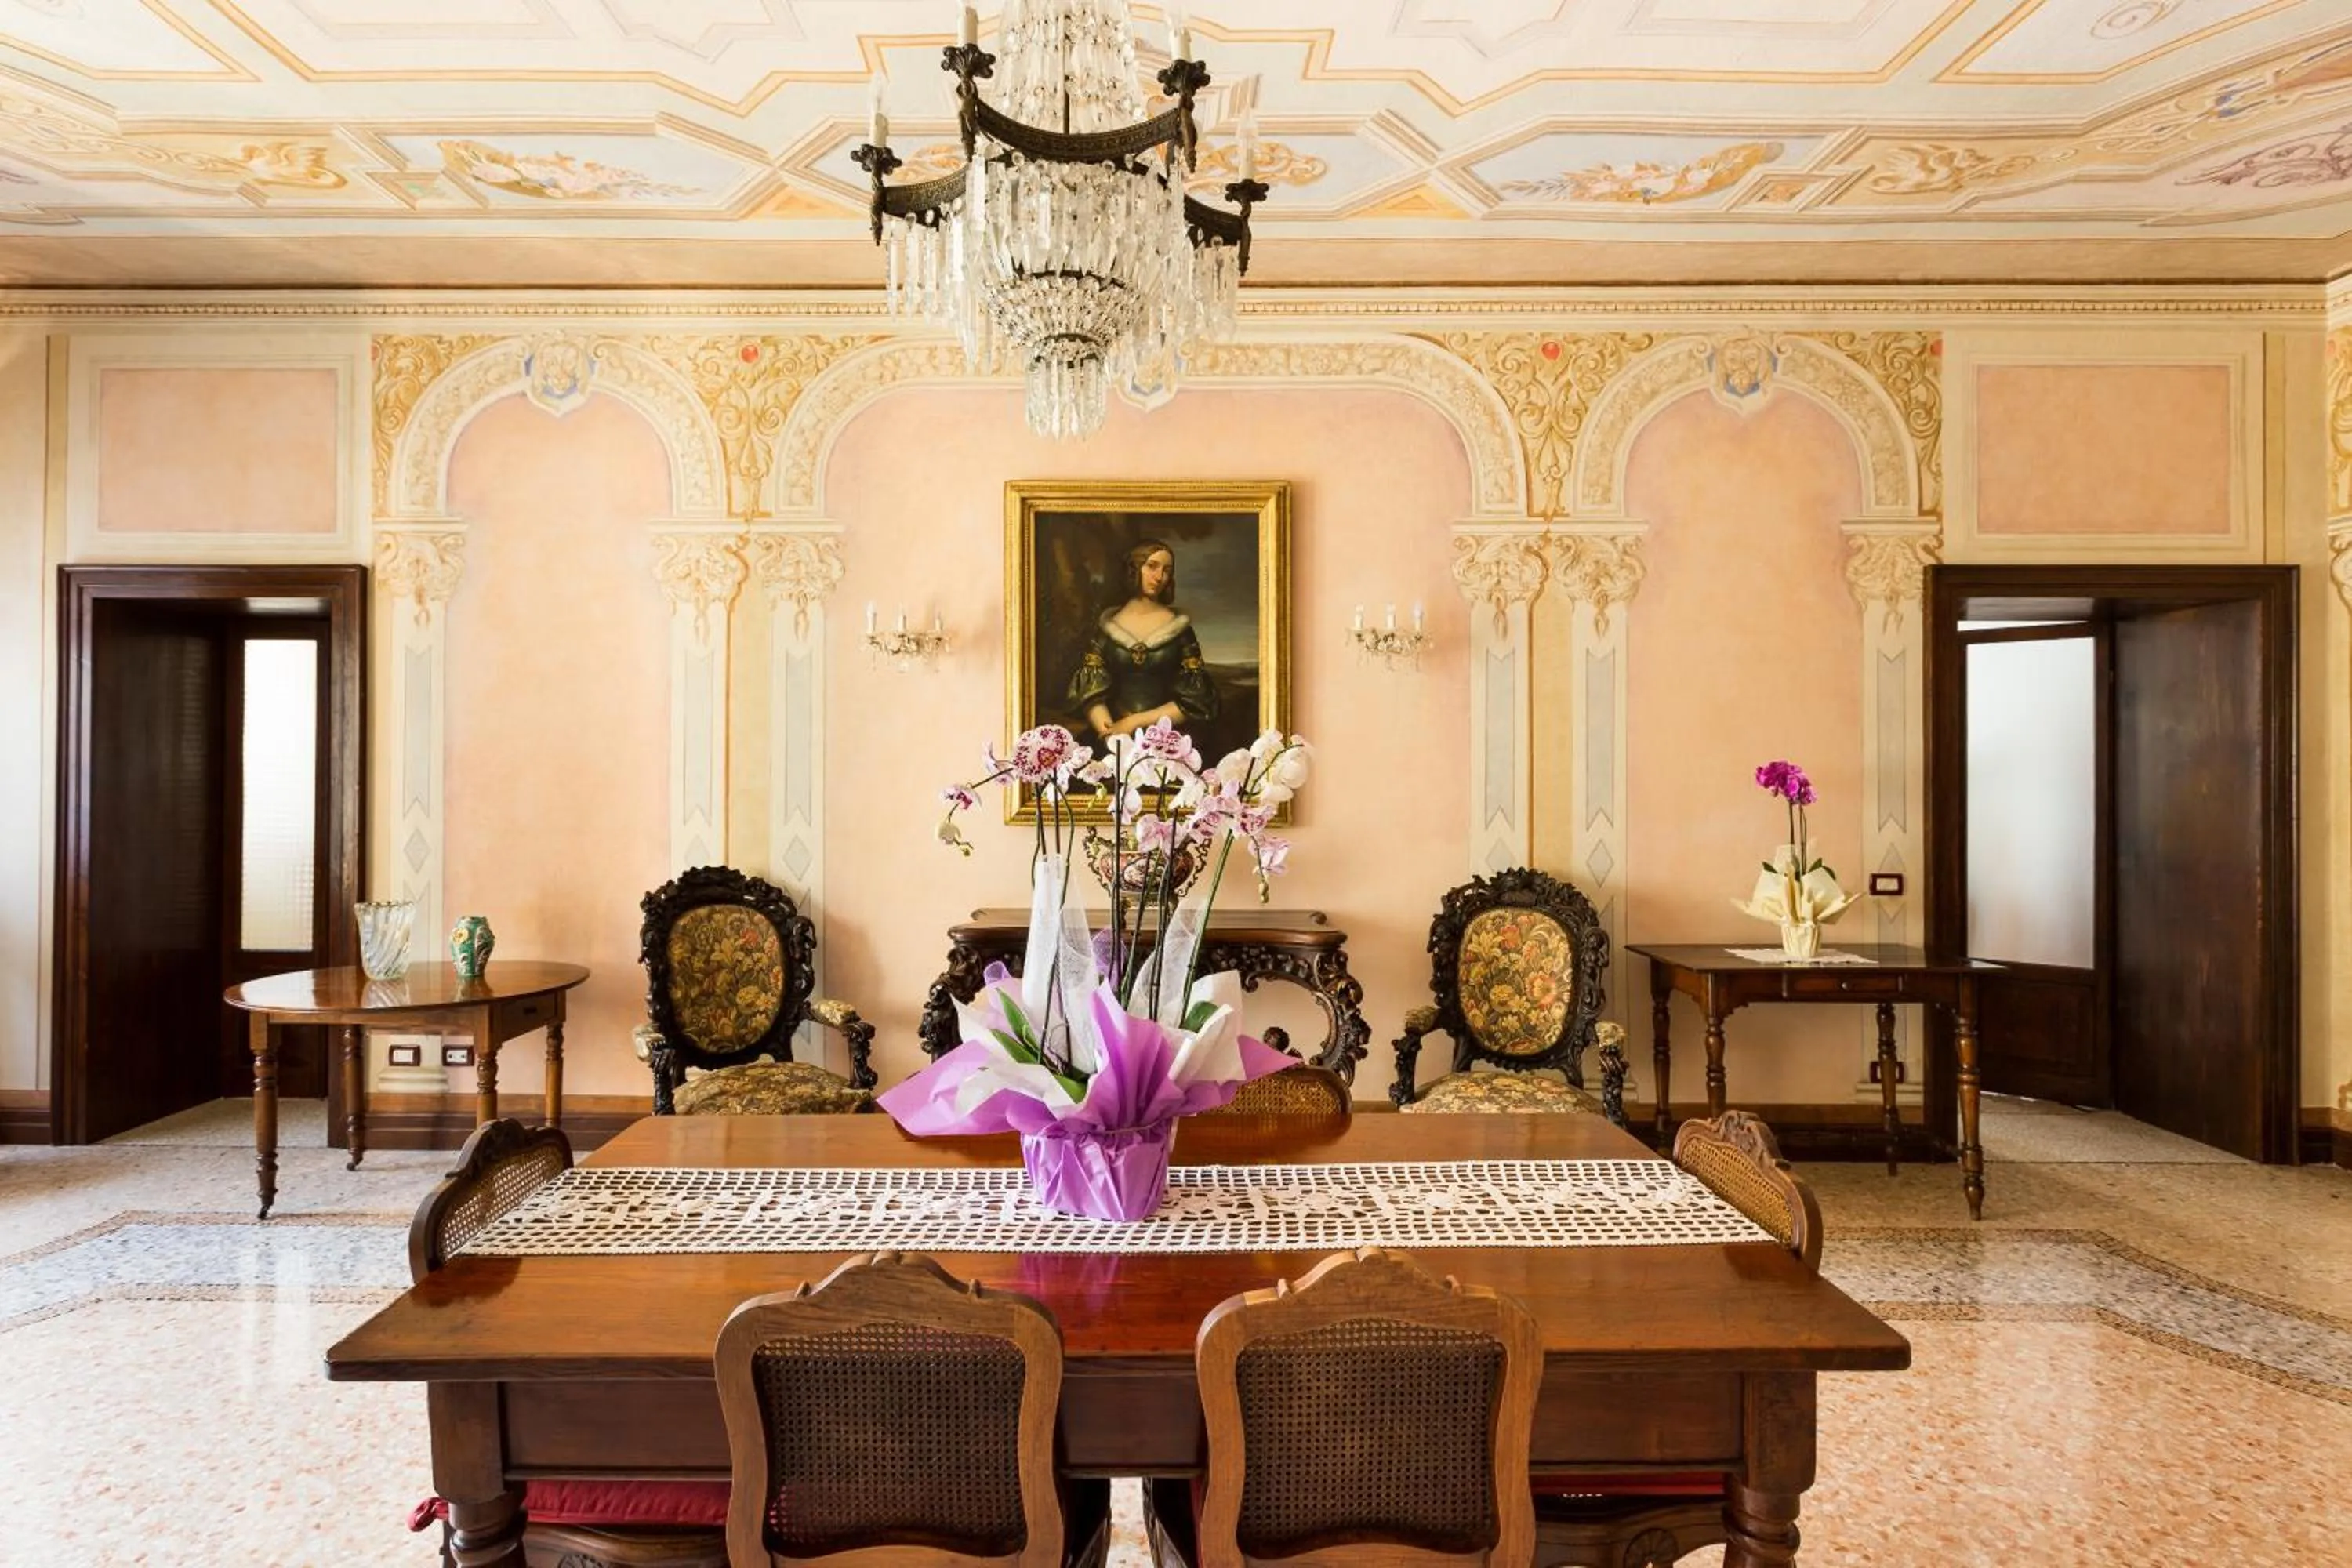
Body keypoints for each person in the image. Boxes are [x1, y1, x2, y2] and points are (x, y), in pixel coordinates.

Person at [1066, 539, 1220, 742]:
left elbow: (1196, 699)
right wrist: (1111, 737)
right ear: (1133, 569)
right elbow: (1090, 692)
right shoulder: (1107, 628)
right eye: (1152, 567)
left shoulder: (1180, 629)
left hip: (1167, 735)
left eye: (1167, 570)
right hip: (1112, 732)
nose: (1160, 577)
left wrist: (1135, 722)